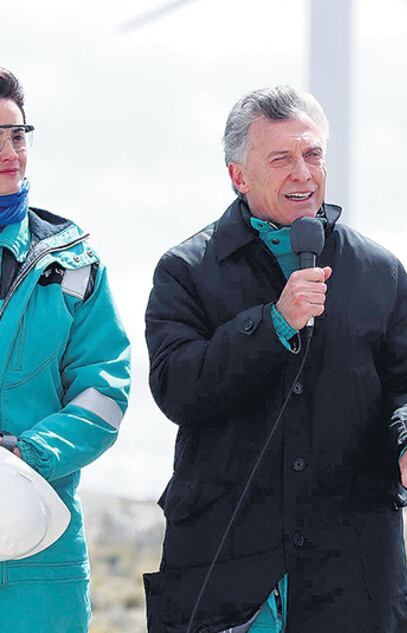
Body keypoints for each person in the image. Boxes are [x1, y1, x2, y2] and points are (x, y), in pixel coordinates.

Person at [143, 85, 407, 633]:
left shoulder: (380, 270)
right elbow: (176, 387)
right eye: (281, 159)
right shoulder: (185, 270)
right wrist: (273, 323)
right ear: (238, 176)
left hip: (352, 575)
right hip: (226, 571)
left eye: (313, 155)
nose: (303, 173)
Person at [0, 67, 132, 633]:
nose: (10, 152)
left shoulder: (75, 265)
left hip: (41, 549)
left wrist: (29, 455)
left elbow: (105, 391)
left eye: (17, 134)